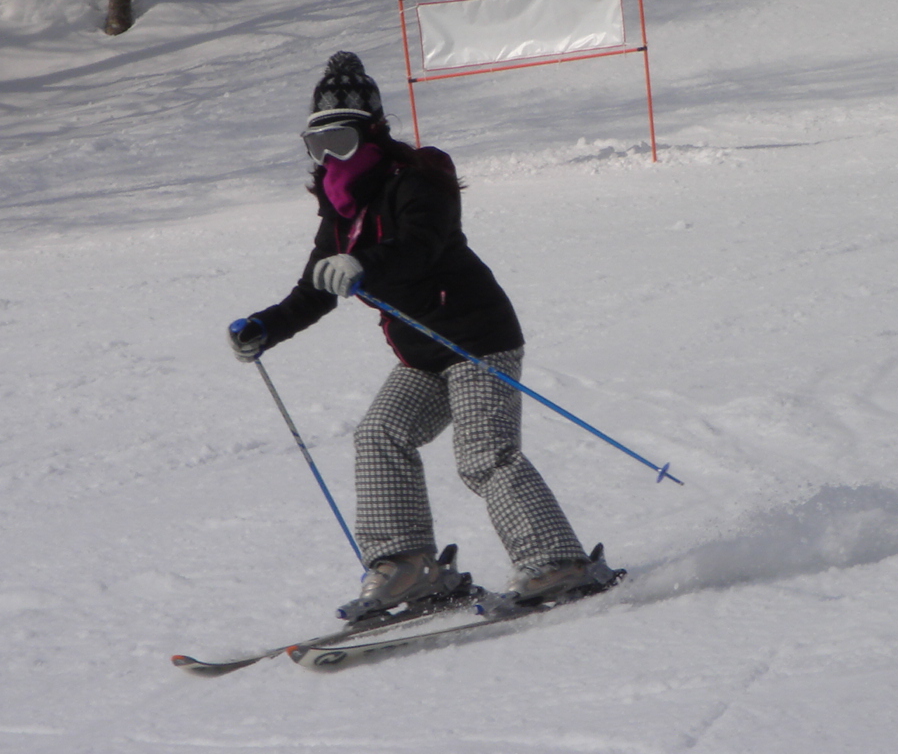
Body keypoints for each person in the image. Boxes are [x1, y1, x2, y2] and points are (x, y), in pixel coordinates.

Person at [228, 51, 614, 621]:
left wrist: (363, 264)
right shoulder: (340, 215)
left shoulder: (419, 180)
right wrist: (265, 327)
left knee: (483, 456)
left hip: (476, 339)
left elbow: (421, 247)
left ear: (372, 134)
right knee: (380, 434)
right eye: (317, 145)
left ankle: (556, 562)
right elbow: (314, 289)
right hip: (421, 354)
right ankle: (408, 566)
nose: (330, 157)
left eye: (341, 141)